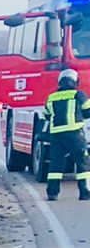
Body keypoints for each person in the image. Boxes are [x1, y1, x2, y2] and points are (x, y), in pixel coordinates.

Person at [45, 68, 87, 200]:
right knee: (82, 163)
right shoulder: (78, 95)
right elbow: (88, 111)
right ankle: (85, 193)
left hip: (56, 136)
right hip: (75, 134)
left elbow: (46, 115)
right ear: (75, 81)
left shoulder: (51, 97)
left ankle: (52, 193)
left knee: (55, 165)